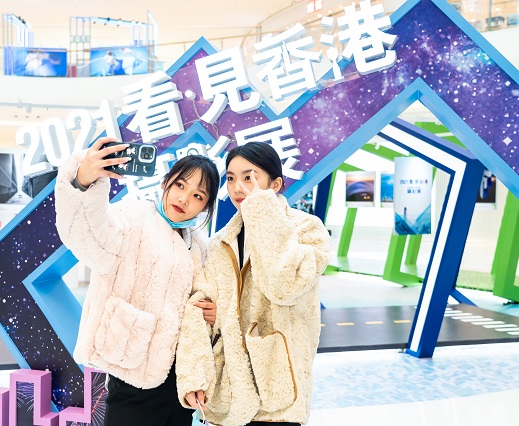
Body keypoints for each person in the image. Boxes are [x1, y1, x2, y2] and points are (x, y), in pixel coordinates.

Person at [54, 137, 220, 426]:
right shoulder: (133, 217)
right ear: (165, 183)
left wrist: (214, 314)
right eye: (180, 185)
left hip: (180, 379)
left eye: (197, 195)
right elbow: (88, 235)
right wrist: (82, 181)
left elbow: (203, 301)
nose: (184, 199)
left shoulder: (199, 245)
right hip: (133, 369)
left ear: (205, 206)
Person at [176, 142, 331, 426]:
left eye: (249, 177)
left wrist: (262, 211)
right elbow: (199, 309)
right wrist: (194, 376)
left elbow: (284, 286)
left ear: (275, 184)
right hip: (229, 390)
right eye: (231, 178)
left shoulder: (307, 229)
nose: (238, 188)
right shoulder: (220, 242)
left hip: (279, 386)